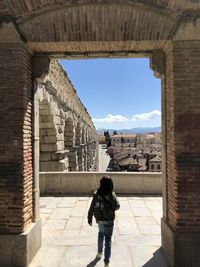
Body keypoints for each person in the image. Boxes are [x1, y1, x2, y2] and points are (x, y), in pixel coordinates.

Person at [87, 176, 120, 267]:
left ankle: (99, 253)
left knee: (101, 234)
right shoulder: (111, 194)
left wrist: (89, 217)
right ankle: (106, 262)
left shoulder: (97, 193)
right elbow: (117, 206)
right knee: (108, 240)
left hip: (100, 219)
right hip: (109, 219)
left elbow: (92, 206)